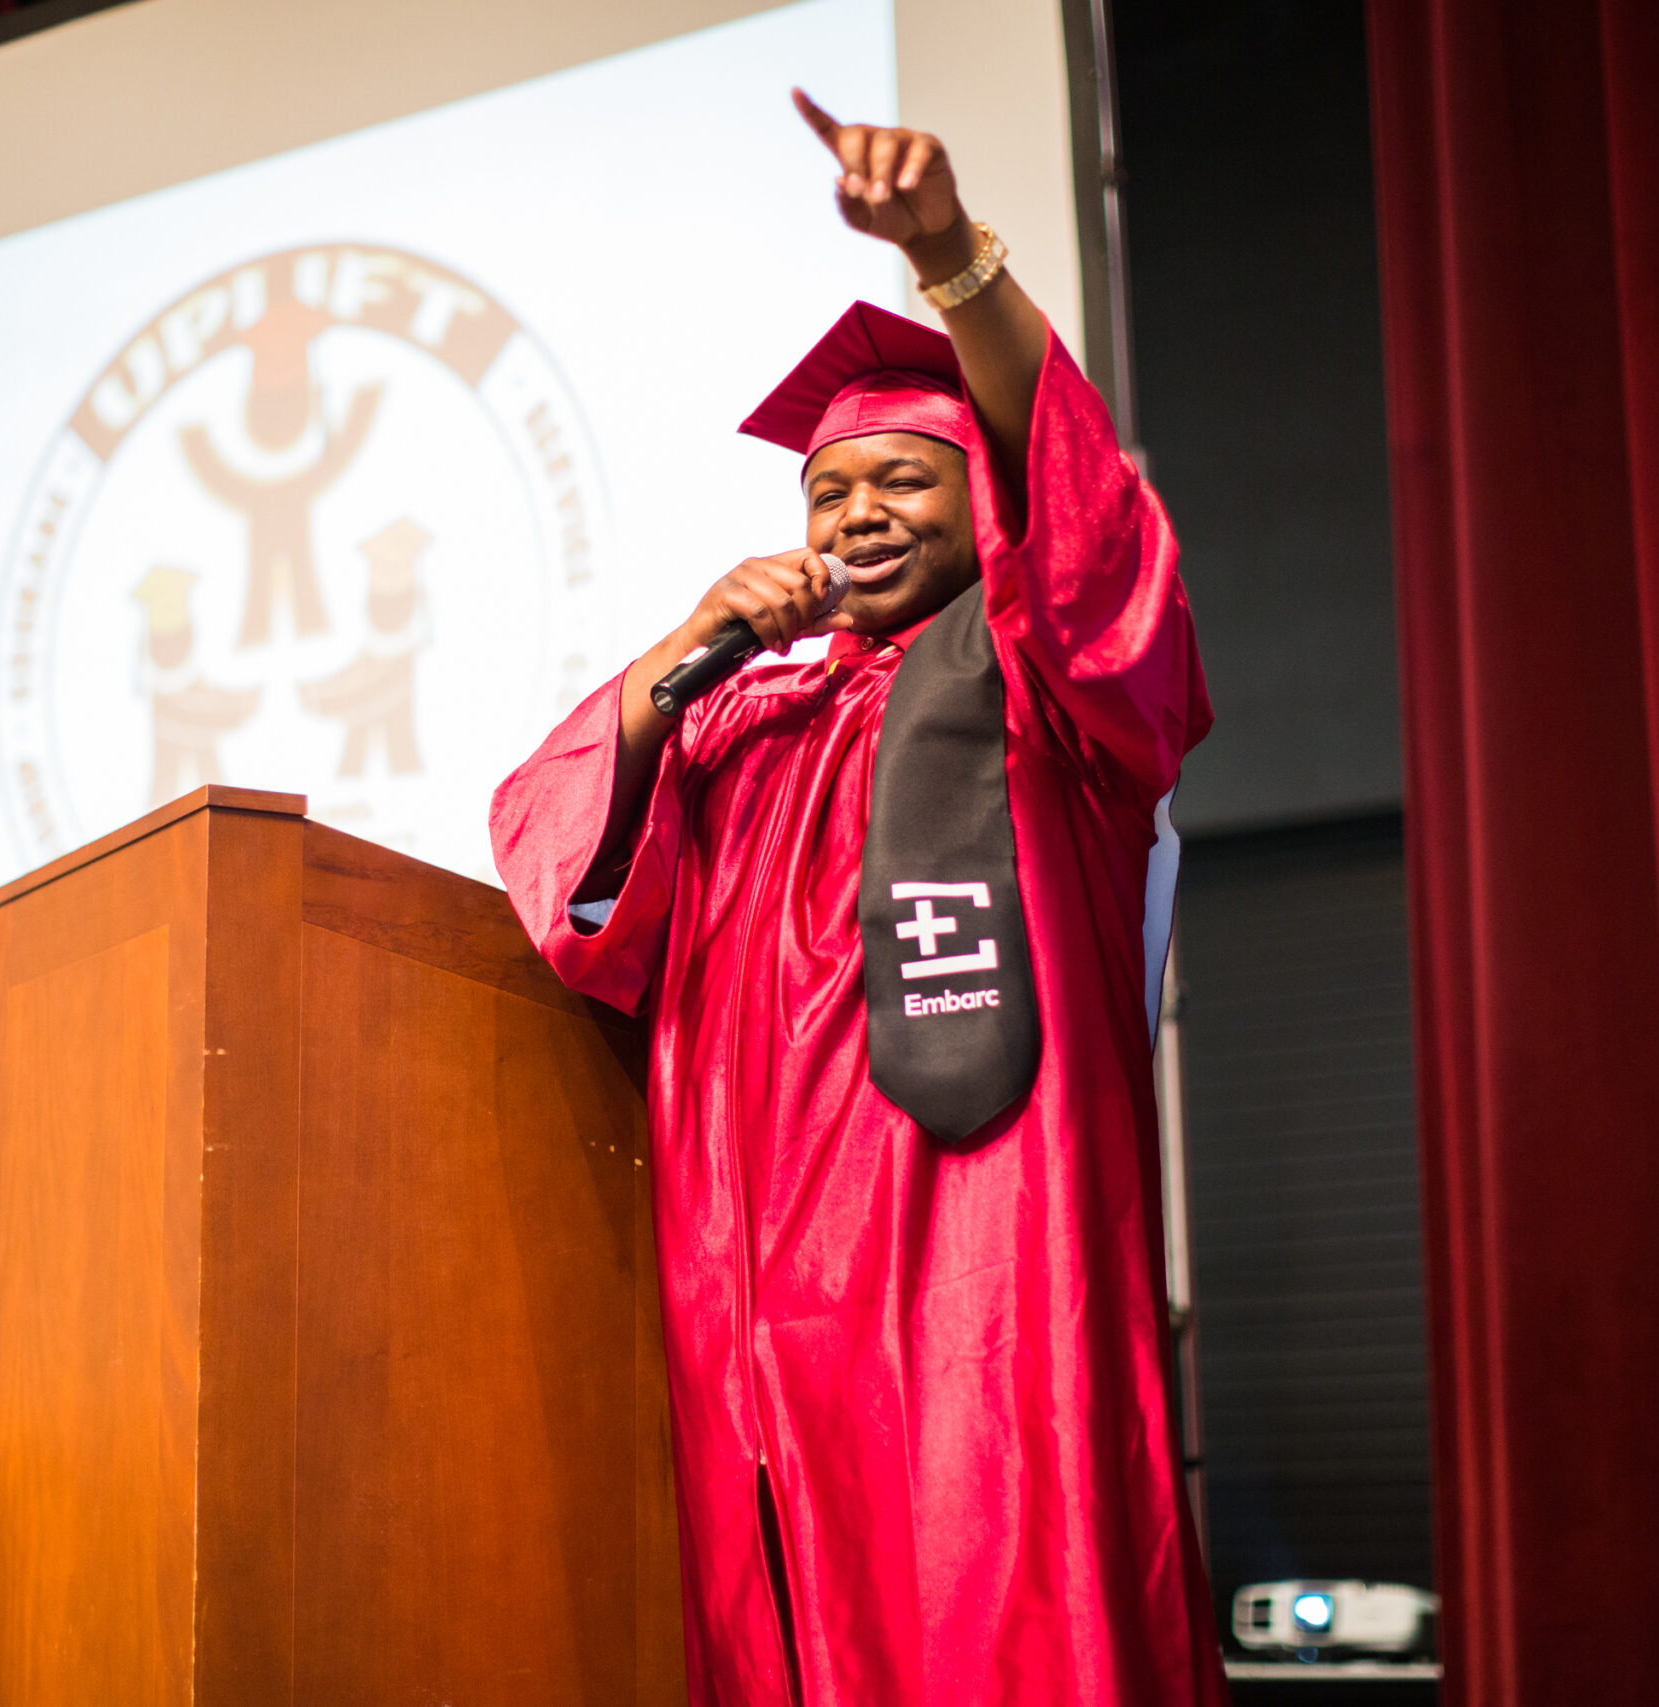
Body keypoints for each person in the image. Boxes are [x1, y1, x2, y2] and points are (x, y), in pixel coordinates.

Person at [489, 92, 1225, 1706]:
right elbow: (568, 886)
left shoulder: (1046, 696)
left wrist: (952, 263)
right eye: (831, 494)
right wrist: (673, 668)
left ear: (990, 508)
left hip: (981, 1290)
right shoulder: (748, 720)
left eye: (907, 479)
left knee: (1007, 1624)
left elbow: (1103, 552)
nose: (859, 515)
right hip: (761, 1315)